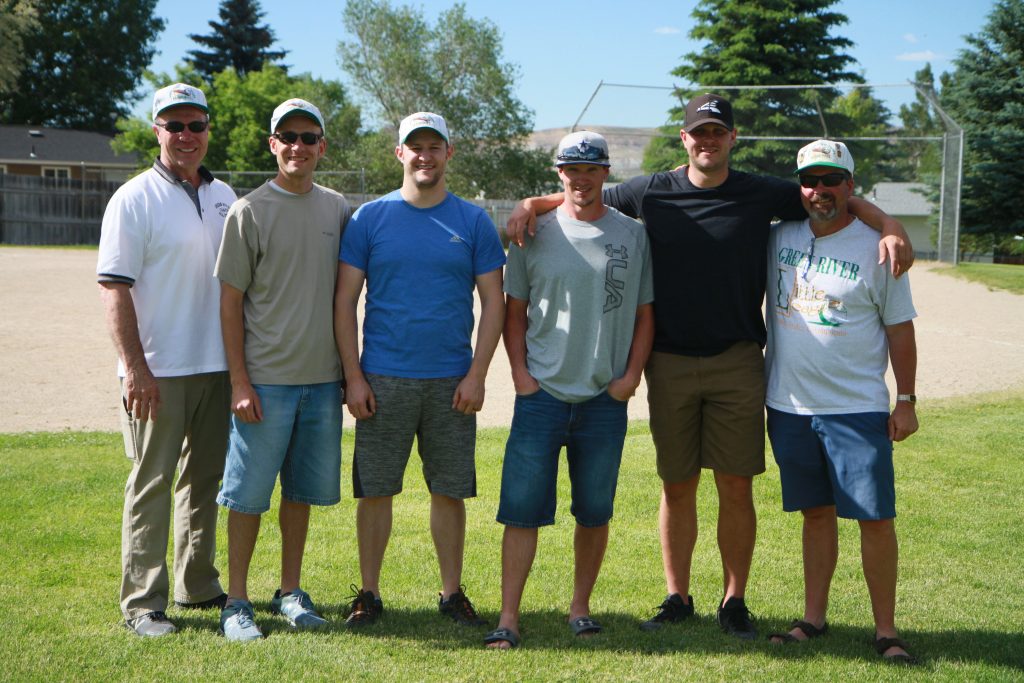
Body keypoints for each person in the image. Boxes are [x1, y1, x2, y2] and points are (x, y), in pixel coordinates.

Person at [506, 94, 913, 640]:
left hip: (738, 361)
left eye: (718, 132)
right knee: (676, 485)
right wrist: (532, 204)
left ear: (732, 138)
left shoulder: (760, 193)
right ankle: (677, 595)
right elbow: (582, 191)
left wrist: (888, 222)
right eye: (699, 132)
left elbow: (831, 198)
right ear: (684, 139)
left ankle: (733, 598)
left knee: (735, 485)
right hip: (669, 362)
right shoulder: (649, 190)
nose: (708, 141)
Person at [484, 131, 655, 650]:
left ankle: (579, 608)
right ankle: (509, 616)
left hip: (605, 398)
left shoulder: (633, 235)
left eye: (591, 169)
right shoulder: (532, 232)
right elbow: (514, 313)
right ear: (559, 174)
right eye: (571, 170)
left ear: (606, 173)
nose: (581, 179)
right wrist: (520, 375)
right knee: (521, 510)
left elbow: (646, 314)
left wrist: (630, 378)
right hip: (542, 396)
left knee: (595, 510)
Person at [335, 111, 505, 628]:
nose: (425, 155)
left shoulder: (472, 221)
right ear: (400, 154)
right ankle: (369, 592)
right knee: (376, 490)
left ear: (449, 154)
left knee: (449, 491)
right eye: (416, 146)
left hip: (452, 380)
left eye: (435, 146)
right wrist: (354, 376)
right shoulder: (369, 219)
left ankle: (451, 593)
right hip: (383, 377)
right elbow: (344, 302)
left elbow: (494, 303)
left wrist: (477, 374)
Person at [764, 140, 918, 664]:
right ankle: (813, 617)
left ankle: (886, 630)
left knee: (875, 519)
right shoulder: (779, 235)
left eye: (831, 181)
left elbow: (900, 331)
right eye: (810, 181)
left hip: (855, 407)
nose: (819, 191)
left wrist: (907, 400)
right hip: (789, 405)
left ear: (851, 186)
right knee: (815, 514)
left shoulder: (878, 247)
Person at [97, 83, 236, 637]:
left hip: (217, 366)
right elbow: (114, 288)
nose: (185, 136)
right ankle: (143, 601)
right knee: (151, 481)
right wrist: (135, 368)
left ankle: (196, 582)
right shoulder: (133, 198)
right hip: (157, 370)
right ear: (156, 131)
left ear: (207, 131)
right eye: (173, 125)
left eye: (195, 125)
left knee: (204, 481)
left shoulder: (225, 194)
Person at [213, 98, 351, 641]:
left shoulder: (338, 208)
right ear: (273, 144)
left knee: (299, 494)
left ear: (322, 147)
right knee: (247, 496)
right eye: (287, 136)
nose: (298, 146)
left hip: (321, 383)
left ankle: (290, 590)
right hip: (265, 383)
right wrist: (239, 382)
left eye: (308, 137)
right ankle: (238, 600)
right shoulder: (249, 211)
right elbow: (229, 303)